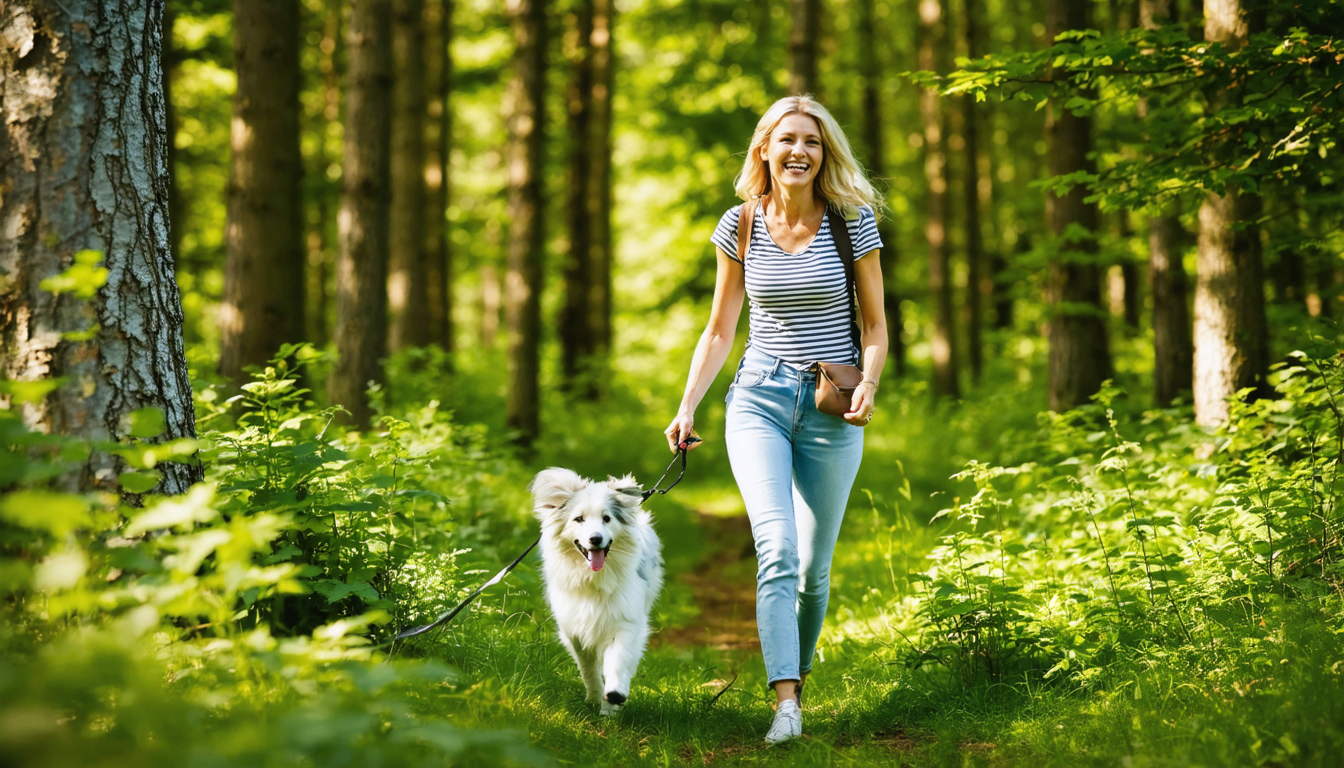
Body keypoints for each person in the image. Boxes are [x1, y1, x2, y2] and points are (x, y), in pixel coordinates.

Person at [664, 95, 888, 745]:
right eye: (786, 139)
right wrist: (687, 404)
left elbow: (874, 323)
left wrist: (869, 383)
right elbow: (719, 329)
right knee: (777, 548)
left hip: (830, 403)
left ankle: (799, 669)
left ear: (825, 154)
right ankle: (785, 702)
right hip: (757, 398)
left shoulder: (853, 221)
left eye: (812, 142)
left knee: (814, 569)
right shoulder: (740, 225)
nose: (799, 151)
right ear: (763, 148)